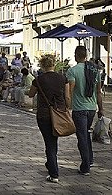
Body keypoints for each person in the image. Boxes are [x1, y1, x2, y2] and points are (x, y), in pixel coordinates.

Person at [27, 54, 67, 184]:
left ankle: (53, 172)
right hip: (59, 114)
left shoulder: (39, 80)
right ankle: (51, 164)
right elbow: (67, 97)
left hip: (44, 115)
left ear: (42, 66)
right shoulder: (62, 78)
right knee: (53, 141)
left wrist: (29, 91)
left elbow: (31, 94)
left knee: (49, 142)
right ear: (53, 64)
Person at [66, 45, 103, 176]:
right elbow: (99, 92)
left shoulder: (72, 71)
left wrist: (67, 106)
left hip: (79, 109)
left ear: (76, 55)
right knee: (85, 134)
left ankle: (85, 166)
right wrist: (101, 109)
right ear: (86, 56)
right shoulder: (94, 71)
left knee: (81, 136)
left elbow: (70, 90)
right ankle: (90, 159)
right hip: (92, 108)